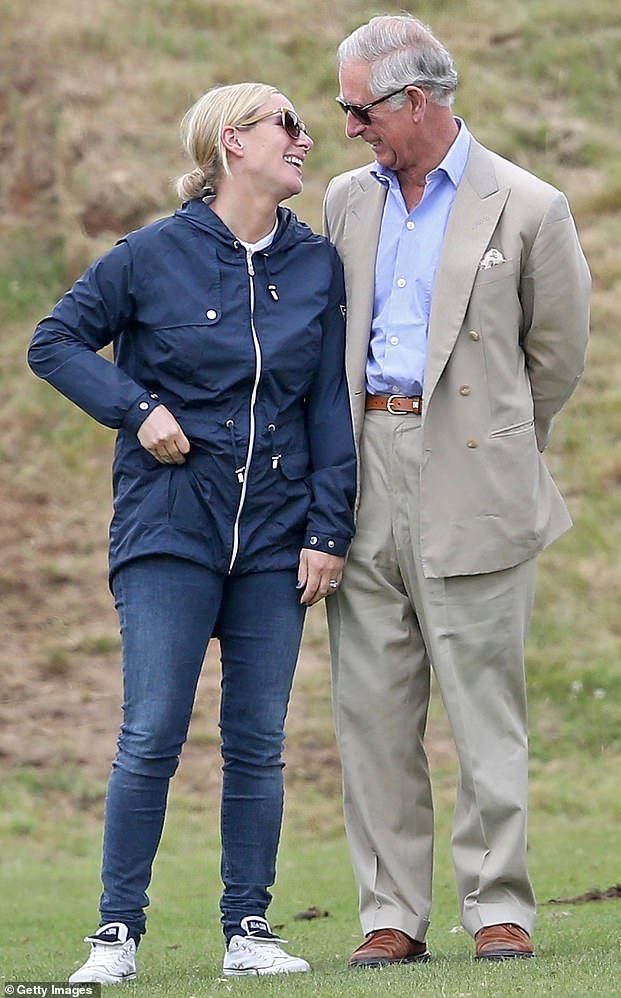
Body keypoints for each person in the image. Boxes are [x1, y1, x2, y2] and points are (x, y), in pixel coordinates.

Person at [28, 81, 356, 983]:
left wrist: (329, 528)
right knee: (155, 732)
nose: (303, 137)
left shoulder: (318, 264)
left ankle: (247, 932)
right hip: (168, 529)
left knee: (257, 741)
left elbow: (328, 403)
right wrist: (137, 410)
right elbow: (53, 342)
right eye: (285, 123)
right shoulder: (148, 255)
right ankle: (114, 936)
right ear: (229, 142)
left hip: (279, 537)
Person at [323, 14, 591, 967]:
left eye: (361, 110)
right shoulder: (345, 201)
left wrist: (504, 449)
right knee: (372, 709)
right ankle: (389, 915)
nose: (349, 127)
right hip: (361, 477)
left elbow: (555, 359)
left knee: (485, 707)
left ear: (417, 102)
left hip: (475, 474)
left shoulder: (529, 205)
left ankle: (499, 906)